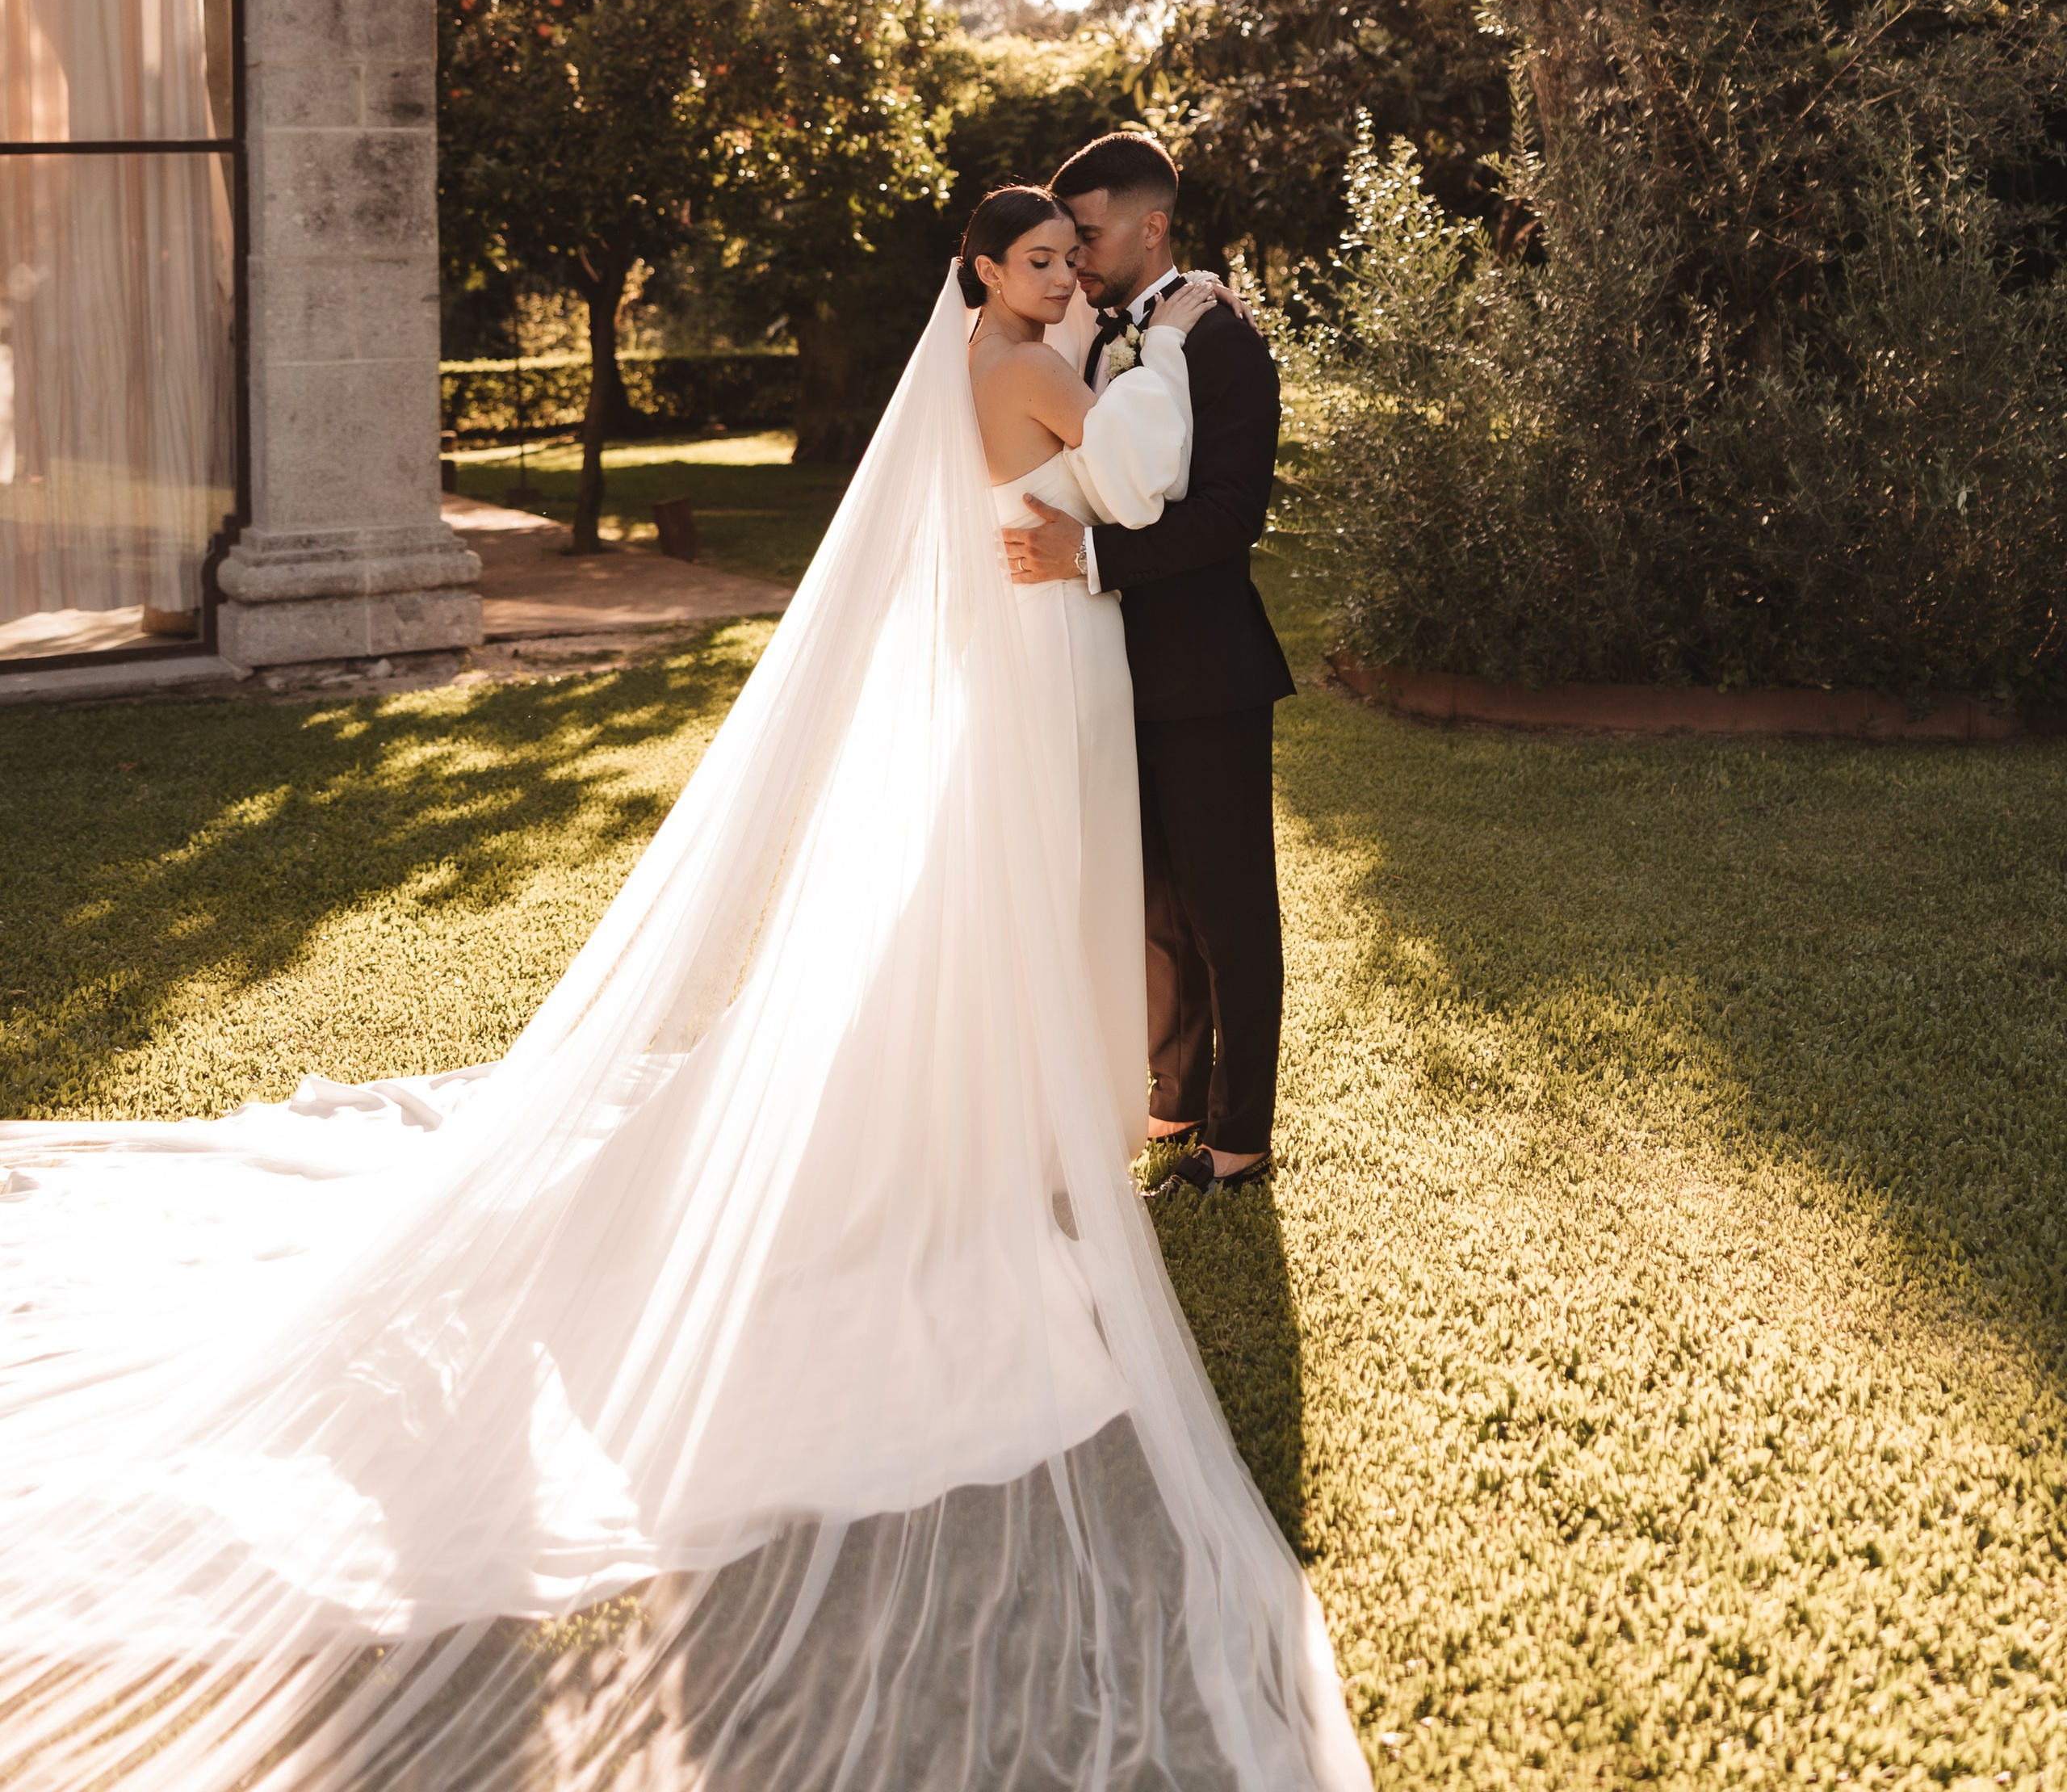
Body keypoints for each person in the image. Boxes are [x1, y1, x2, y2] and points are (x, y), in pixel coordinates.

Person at [0, 214, 1363, 1791]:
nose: (1066, 279)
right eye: (1041, 259)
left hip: (1031, 650)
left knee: (1003, 901)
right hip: (1043, 651)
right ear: (984, 275)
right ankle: (987, 1130)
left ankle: (1015, 1114)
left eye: (1074, 256)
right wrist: (1170, 342)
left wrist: (1112, 355)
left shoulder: (1000, 359)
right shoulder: (1026, 367)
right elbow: (1138, 477)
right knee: (1010, 894)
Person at [1001, 133, 1293, 1193]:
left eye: (1087, 234)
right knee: (1156, 910)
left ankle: (1239, 1141)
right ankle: (1176, 1101)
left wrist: (1088, 557)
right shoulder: (1094, 334)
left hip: (1208, 676)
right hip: (1109, 671)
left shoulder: (1221, 339)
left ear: (1151, 226)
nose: (1074, 256)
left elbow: (1229, 515)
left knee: (1228, 910)